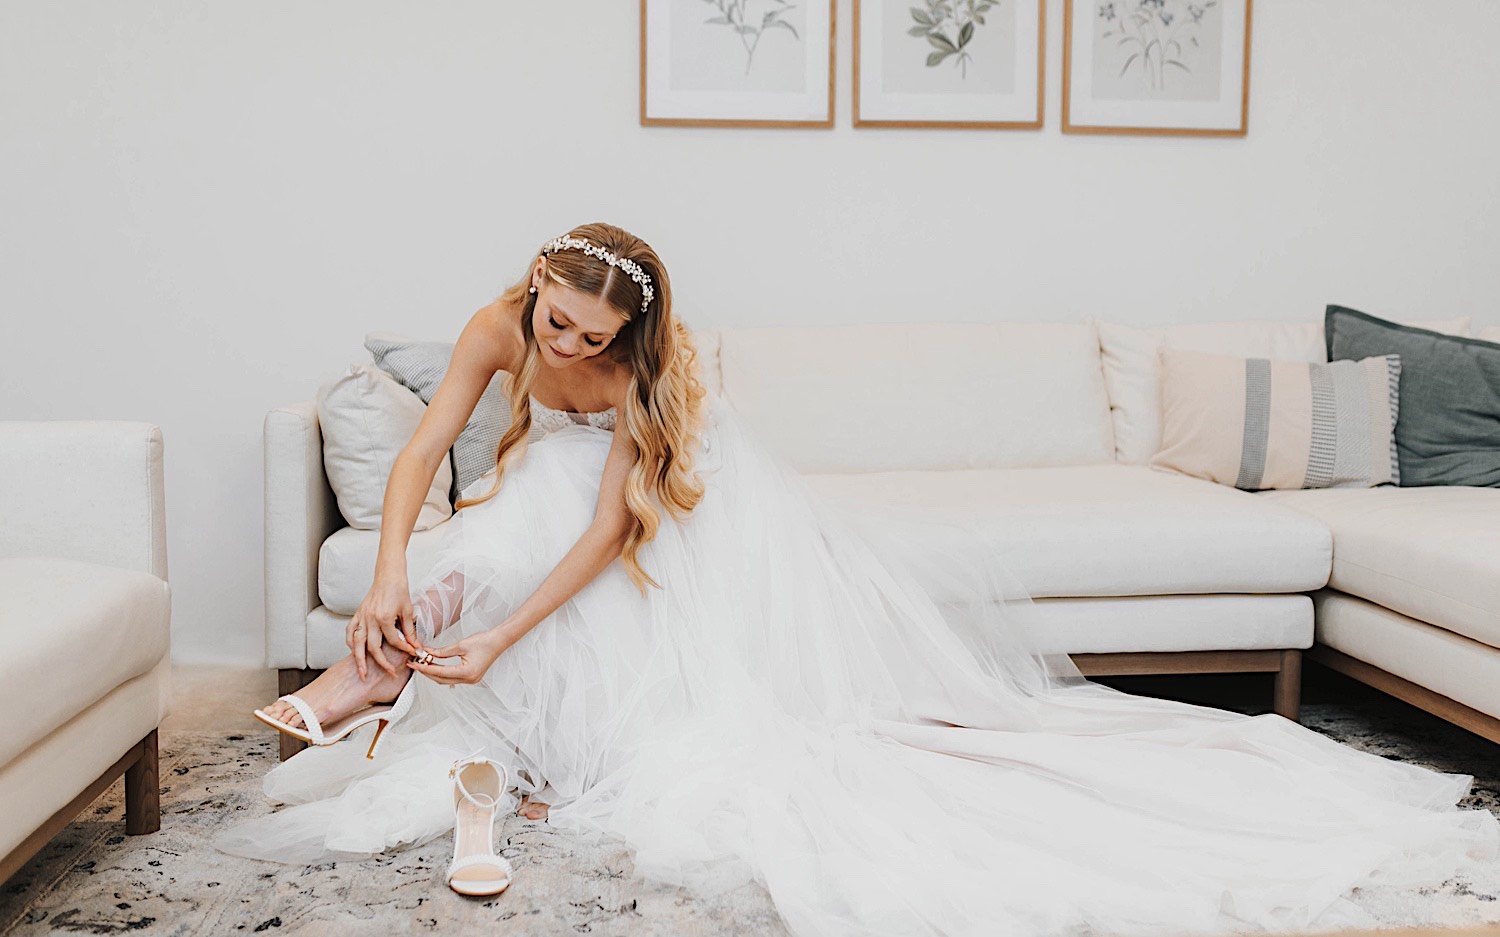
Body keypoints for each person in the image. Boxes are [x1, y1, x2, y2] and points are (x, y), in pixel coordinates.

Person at [223, 222, 1500, 935]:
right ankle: (379, 654)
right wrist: (388, 562)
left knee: (539, 519)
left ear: (629, 340)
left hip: (667, 516)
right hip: (529, 512)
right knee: (477, 530)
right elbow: (432, 448)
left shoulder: (641, 389)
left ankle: (373, 675)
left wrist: (499, 646)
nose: (558, 344)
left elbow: (608, 538)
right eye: (551, 318)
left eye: (586, 335)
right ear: (536, 288)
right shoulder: (500, 322)